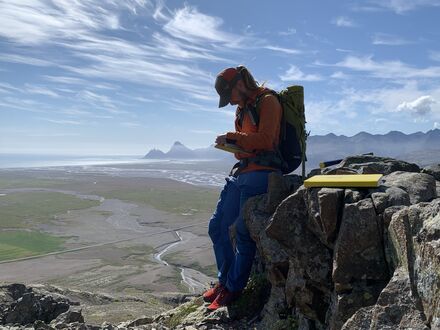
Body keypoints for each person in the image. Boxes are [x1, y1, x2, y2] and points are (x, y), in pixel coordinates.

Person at [203, 65, 283, 311]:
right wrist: (233, 144)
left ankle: (233, 288)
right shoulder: (242, 109)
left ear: (239, 84)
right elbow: (244, 148)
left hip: (262, 174)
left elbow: (267, 140)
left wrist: (234, 138)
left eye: (230, 96)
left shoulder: (268, 101)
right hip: (244, 172)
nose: (230, 103)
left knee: (242, 232)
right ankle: (224, 281)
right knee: (217, 226)